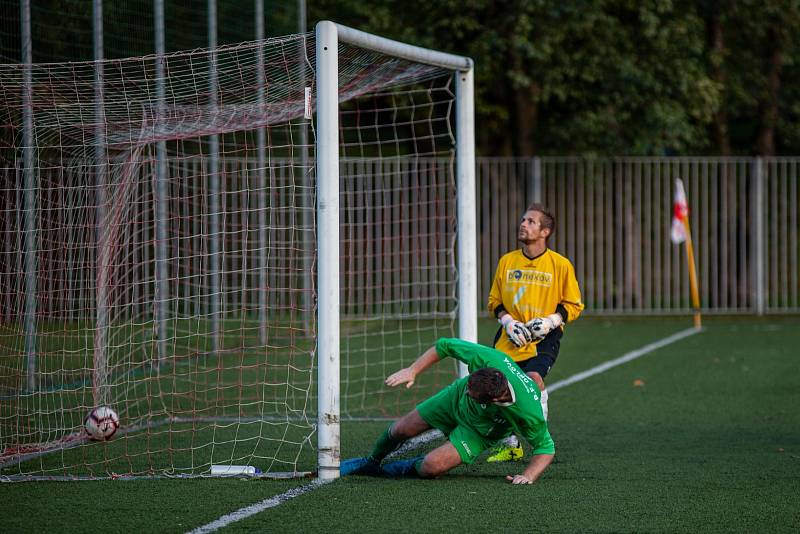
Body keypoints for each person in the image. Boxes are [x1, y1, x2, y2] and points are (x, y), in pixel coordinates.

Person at [340, 337, 555, 484]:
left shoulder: (527, 411)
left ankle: (391, 469)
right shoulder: (490, 359)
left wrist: (528, 476)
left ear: (496, 399)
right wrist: (412, 370)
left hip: (479, 432)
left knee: (431, 467)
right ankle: (372, 461)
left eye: (474, 395)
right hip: (453, 399)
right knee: (400, 429)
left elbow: (546, 448)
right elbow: (445, 345)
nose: (469, 394)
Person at [486, 203, 583, 462]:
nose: (523, 224)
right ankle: (510, 445)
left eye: (531, 221)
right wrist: (507, 321)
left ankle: (541, 443)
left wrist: (551, 321)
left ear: (545, 232)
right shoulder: (507, 261)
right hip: (510, 336)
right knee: (496, 384)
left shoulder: (560, 265)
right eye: (523, 220)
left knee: (533, 380)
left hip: (543, 338)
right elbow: (494, 301)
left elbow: (574, 304)